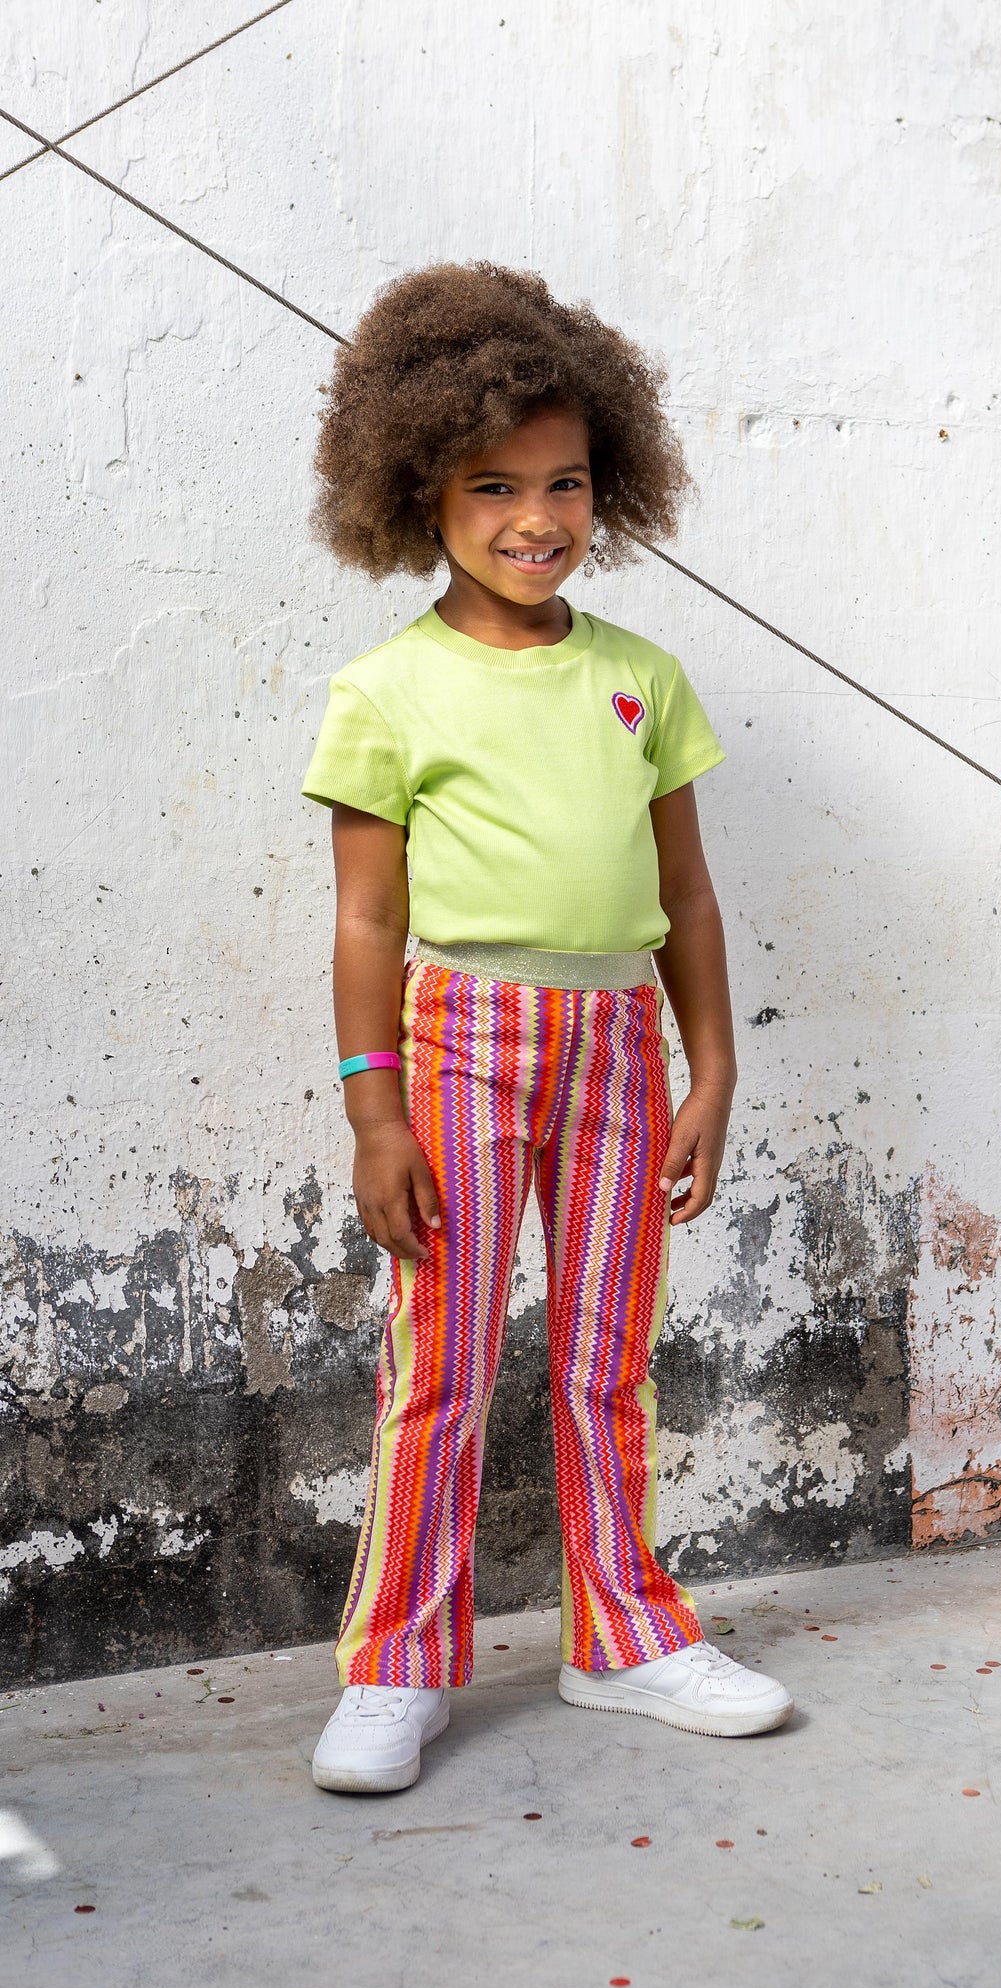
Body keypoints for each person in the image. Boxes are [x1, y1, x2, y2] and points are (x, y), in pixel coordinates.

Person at [301, 263, 793, 1794]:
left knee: (606, 1359)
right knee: (440, 1364)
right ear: (418, 492)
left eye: (566, 481)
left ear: (610, 484)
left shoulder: (640, 680)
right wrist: (374, 1111)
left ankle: (623, 1636)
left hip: (619, 1044)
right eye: (493, 485)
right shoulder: (388, 691)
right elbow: (368, 924)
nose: (537, 516)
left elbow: (686, 894)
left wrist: (713, 1066)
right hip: (458, 1038)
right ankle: (396, 1664)